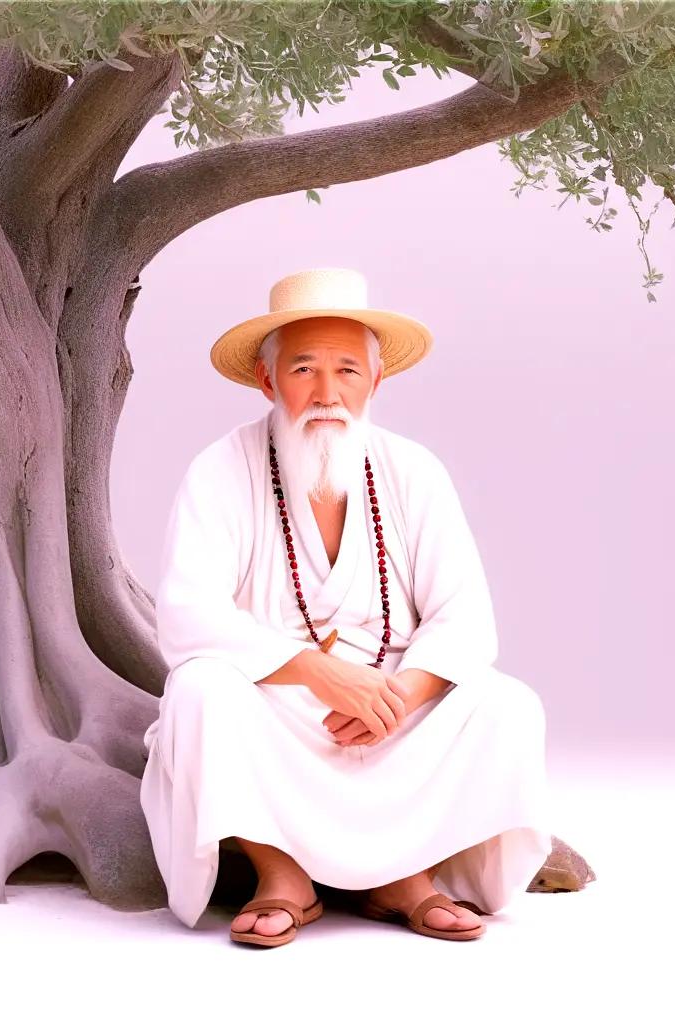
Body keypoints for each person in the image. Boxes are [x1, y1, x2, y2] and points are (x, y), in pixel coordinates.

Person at [139, 267, 553, 946]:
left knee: (508, 705)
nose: (327, 394)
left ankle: (405, 877)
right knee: (199, 691)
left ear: (376, 382)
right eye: (304, 370)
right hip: (281, 710)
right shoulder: (220, 469)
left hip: (397, 714)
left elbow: (467, 617)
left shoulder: (414, 471)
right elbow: (187, 616)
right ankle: (282, 876)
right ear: (269, 382)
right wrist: (319, 674)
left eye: (347, 371)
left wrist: (400, 696)